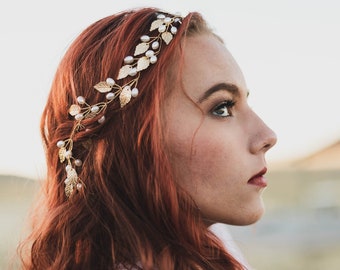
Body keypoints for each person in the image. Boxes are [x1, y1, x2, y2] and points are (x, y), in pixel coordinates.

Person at [18, 6, 276, 270]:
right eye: (221, 108)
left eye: (245, 103)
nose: (268, 136)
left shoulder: (205, 243)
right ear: (132, 139)